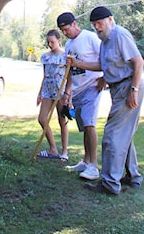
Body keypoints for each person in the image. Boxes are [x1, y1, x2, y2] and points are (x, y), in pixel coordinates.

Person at [66, 6, 144, 195]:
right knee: (123, 135)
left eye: (99, 23)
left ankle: (109, 183)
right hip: (117, 89)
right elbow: (101, 64)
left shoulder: (119, 35)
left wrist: (133, 89)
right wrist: (77, 64)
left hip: (128, 87)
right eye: (94, 25)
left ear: (110, 19)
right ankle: (133, 177)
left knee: (111, 135)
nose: (97, 28)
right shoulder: (105, 41)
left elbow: (138, 62)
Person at [55, 11, 104, 181]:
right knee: (84, 126)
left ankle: (94, 167)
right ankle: (86, 161)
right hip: (77, 90)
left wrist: (104, 78)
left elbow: (105, 61)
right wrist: (67, 93)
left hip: (92, 86)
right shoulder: (68, 45)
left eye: (66, 29)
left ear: (75, 24)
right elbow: (70, 72)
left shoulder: (90, 38)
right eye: (62, 31)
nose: (64, 33)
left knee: (89, 124)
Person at [35, 29, 70, 161]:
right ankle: (53, 149)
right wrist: (39, 93)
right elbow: (44, 75)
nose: (50, 44)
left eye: (53, 42)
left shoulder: (66, 56)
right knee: (42, 118)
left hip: (61, 90)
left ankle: (64, 152)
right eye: (48, 42)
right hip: (48, 90)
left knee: (62, 121)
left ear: (59, 40)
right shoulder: (46, 57)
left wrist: (68, 94)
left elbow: (70, 76)